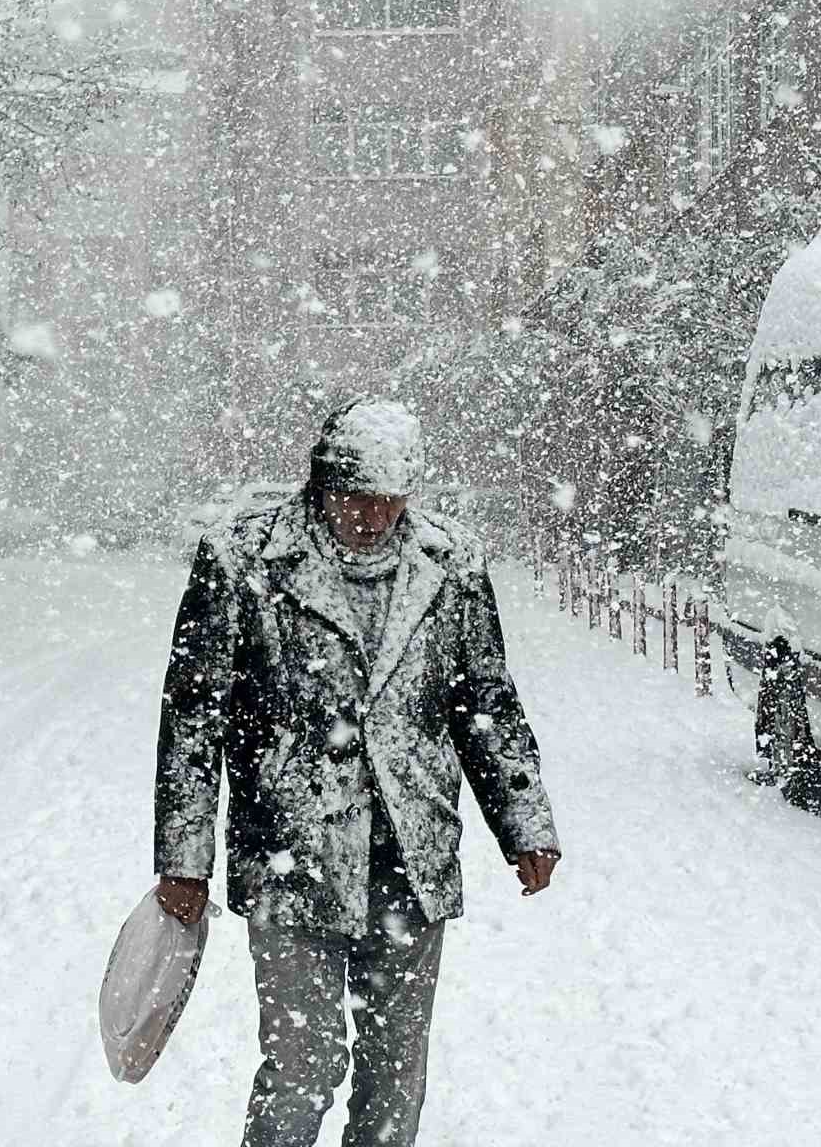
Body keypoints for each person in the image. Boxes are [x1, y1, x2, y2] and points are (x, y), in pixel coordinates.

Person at [153, 397, 561, 1147]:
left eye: (387, 501)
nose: (371, 519)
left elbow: (487, 703)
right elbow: (194, 717)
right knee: (302, 1065)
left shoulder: (453, 561)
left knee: (394, 1072)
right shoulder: (243, 558)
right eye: (355, 499)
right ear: (320, 484)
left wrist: (525, 823)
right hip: (290, 856)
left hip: (412, 857)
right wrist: (184, 860)